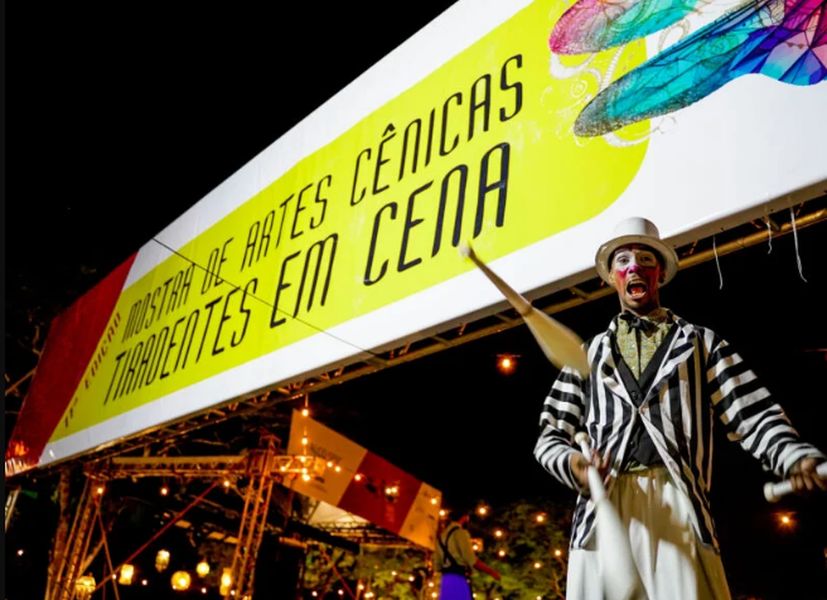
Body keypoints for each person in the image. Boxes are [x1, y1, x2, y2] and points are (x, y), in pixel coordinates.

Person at [533, 216, 825, 600]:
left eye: (644, 260)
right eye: (623, 261)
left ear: (660, 275)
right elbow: (550, 436)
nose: (634, 267)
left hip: (678, 503)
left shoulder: (701, 343)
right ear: (612, 277)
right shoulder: (587, 354)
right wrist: (574, 465)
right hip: (604, 508)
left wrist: (794, 457)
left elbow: (751, 412)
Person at [434, 506, 500, 599]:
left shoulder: (440, 537)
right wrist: (492, 572)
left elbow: (437, 565)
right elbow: (472, 560)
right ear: (464, 517)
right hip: (458, 578)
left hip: (446, 581)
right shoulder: (461, 533)